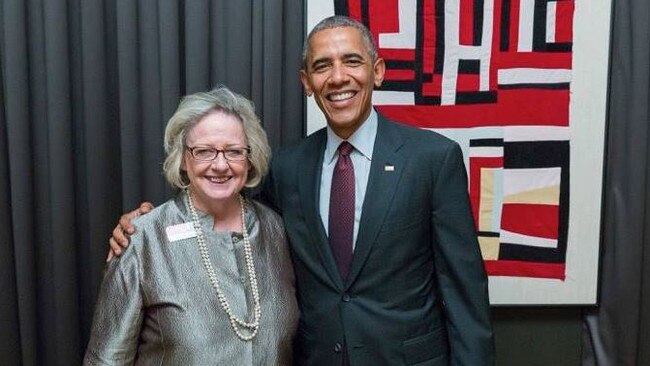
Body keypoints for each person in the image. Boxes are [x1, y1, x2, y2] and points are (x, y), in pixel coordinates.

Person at [111, 16, 494, 365]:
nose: (338, 77)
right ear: (306, 82)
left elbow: (464, 293)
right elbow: (223, 211)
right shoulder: (287, 167)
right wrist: (140, 228)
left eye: (352, 61)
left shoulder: (432, 159)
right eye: (322, 66)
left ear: (377, 71)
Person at [86, 86, 298, 365]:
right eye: (204, 151)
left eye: (234, 151)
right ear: (184, 159)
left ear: (250, 159)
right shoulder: (143, 240)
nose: (220, 165)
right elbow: (106, 360)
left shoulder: (276, 231)